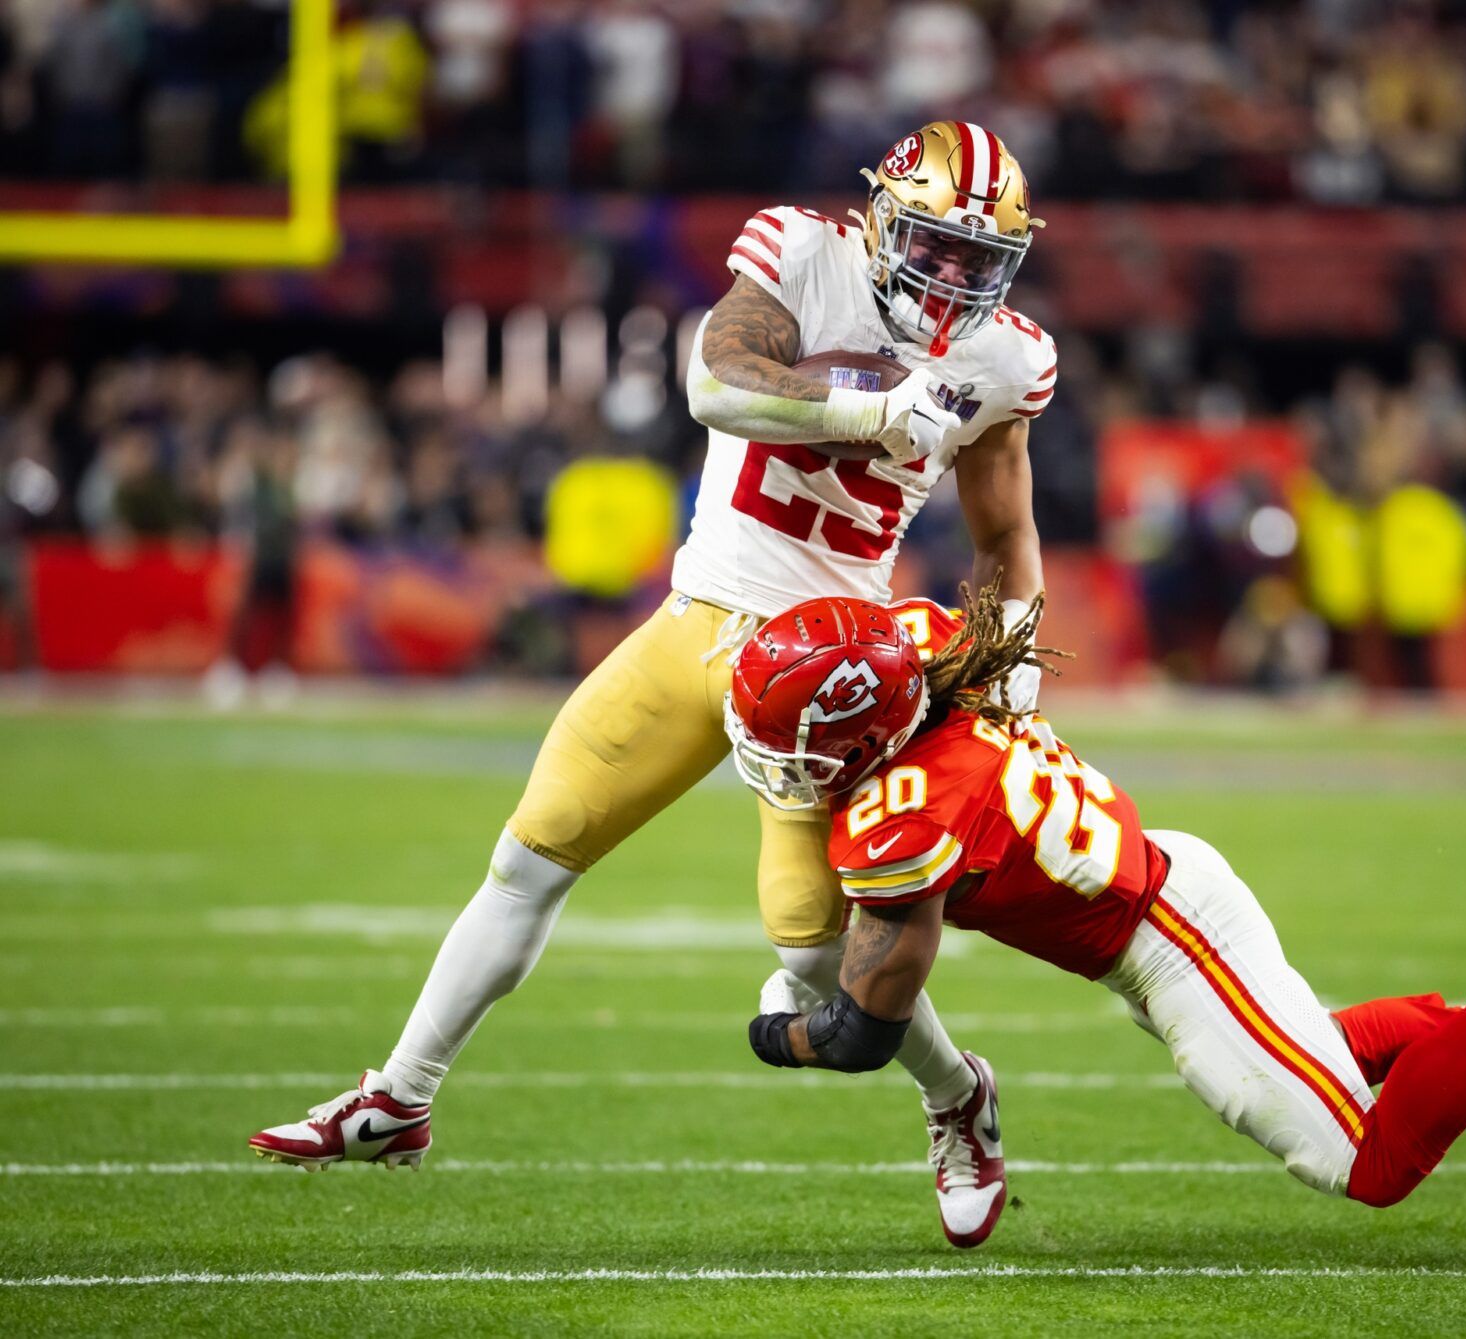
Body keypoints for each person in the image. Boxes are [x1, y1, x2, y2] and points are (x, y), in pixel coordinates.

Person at [250, 122, 1060, 1247]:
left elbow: (1006, 533)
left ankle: (956, 1095)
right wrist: (870, 411)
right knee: (530, 855)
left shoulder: (1002, 358)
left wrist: (1010, 666)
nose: (958, 280)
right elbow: (715, 381)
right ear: (883, 216)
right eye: (939, 245)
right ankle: (402, 1095)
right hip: (700, 619)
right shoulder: (800, 253)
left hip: (825, 661)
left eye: (984, 261)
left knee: (813, 958)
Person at [730, 588, 1466, 1240]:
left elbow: (864, 1033)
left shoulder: (909, 812)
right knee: (1323, 1053)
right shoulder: (919, 641)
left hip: (1169, 946)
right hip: (1169, 884)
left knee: (1366, 1161)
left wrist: (773, 1033)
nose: (780, 769)